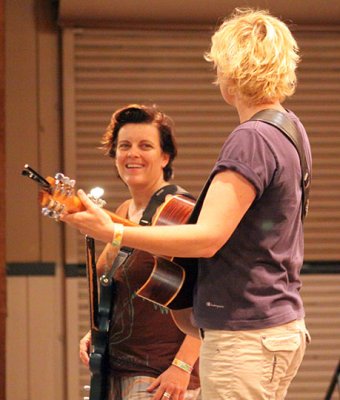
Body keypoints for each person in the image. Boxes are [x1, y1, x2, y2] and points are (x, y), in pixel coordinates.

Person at [62, 8, 312, 400]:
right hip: (276, 329)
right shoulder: (290, 129)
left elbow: (207, 238)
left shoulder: (252, 137)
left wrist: (113, 231)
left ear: (229, 70)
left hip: (243, 337)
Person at [79, 104, 201, 400]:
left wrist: (182, 366)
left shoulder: (178, 211)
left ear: (165, 156)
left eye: (145, 145)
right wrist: (95, 332)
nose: (132, 153)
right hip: (115, 368)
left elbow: (208, 295)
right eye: (124, 146)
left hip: (160, 375)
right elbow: (119, 290)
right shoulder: (123, 211)